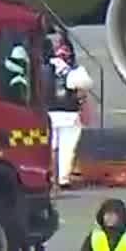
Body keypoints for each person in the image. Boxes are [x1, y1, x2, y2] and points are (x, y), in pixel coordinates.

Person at [47, 40, 94, 188]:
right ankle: (63, 179)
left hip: (49, 113)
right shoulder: (75, 70)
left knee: (51, 147)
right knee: (67, 149)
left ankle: (50, 177)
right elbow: (85, 84)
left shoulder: (42, 68)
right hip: (69, 113)